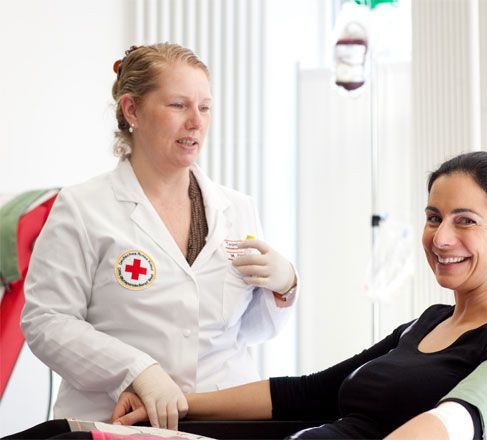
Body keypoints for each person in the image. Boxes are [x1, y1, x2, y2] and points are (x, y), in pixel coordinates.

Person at [108, 151, 487, 439]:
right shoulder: (428, 322)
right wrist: (174, 402)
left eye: (465, 221)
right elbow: (308, 392)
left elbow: (469, 416)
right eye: (433, 218)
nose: (441, 238)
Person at [20, 43, 298, 431]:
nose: (196, 122)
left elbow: (250, 330)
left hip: (223, 416)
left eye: (205, 107)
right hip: (118, 420)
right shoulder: (83, 208)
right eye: (178, 105)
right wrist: (136, 370)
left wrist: (285, 286)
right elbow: (47, 321)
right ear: (132, 110)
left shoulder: (236, 209)